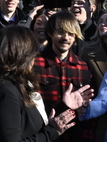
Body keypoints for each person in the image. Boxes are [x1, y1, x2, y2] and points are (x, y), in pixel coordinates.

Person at [0, 25, 78, 141]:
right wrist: (52, 132)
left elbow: (31, 125)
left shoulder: (20, 85)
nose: (35, 58)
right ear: (22, 54)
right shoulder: (7, 91)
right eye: (32, 52)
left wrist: (63, 107)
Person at [34, 11, 96, 142]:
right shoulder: (35, 64)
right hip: (43, 136)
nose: (66, 37)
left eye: (70, 33)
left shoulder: (84, 67)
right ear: (50, 33)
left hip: (76, 137)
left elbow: (90, 112)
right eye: (61, 32)